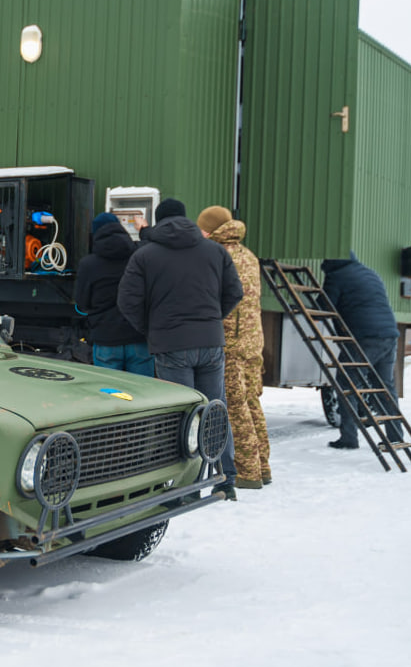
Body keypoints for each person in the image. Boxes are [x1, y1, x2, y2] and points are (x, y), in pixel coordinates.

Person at [118, 198, 244, 499]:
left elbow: (127, 301)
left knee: (183, 414)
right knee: (215, 408)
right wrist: (212, 320)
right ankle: (225, 477)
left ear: (158, 222)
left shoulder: (145, 255)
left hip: (171, 343)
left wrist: (151, 329)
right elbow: (234, 292)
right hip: (211, 342)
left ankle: (186, 487)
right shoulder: (215, 251)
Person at [197, 206, 270, 489]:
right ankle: (262, 465)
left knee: (236, 409)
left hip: (233, 343)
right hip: (253, 341)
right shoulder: (248, 255)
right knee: (251, 403)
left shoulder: (219, 256)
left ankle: (247, 473)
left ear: (212, 230)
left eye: (203, 228)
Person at [320, 252, 403, 450]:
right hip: (389, 335)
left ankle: (349, 438)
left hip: (363, 337)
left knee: (346, 384)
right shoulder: (369, 272)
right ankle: (395, 436)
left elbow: (323, 305)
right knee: (385, 387)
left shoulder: (337, 275)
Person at [74, 212, 154, 376]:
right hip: (138, 338)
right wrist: (144, 229)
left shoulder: (88, 264)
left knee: (109, 394)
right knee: (144, 394)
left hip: (106, 339)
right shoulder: (139, 256)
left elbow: (81, 303)